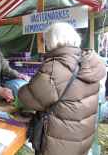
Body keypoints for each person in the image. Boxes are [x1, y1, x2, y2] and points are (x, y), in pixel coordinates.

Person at [18, 22, 106, 155]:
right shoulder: (90, 62)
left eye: (47, 41)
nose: (46, 45)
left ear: (53, 41)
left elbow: (28, 98)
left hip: (58, 143)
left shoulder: (55, 68)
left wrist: (23, 86)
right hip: (81, 138)